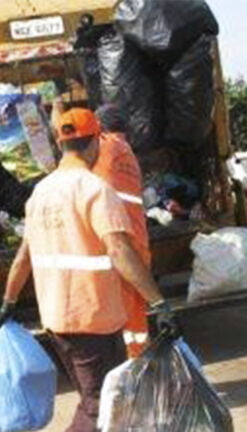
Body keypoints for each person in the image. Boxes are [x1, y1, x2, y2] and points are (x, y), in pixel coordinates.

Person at [0, 108, 175, 432]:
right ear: (95, 142)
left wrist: (8, 303)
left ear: (60, 143)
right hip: (93, 322)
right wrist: (158, 302)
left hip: (56, 322)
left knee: (99, 400)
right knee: (99, 408)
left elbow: (23, 257)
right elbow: (120, 250)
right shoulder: (94, 190)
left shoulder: (40, 193)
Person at [93, 102, 152, 358]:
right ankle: (137, 361)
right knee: (135, 313)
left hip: (120, 245)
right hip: (136, 242)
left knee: (125, 315)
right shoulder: (125, 150)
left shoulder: (106, 147)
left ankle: (134, 367)